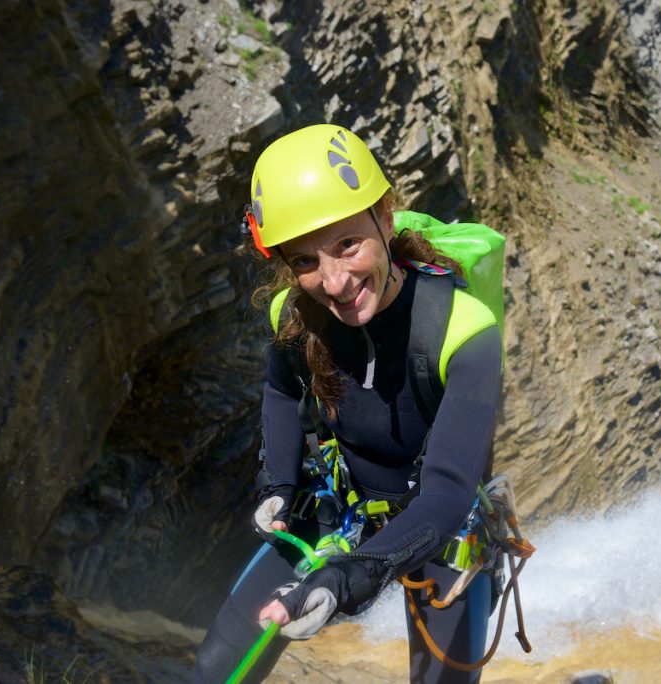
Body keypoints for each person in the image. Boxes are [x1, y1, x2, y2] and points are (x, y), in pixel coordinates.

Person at [194, 124, 503, 684]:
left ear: (385, 219)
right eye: (306, 261)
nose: (334, 282)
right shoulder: (290, 314)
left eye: (347, 244)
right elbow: (282, 390)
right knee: (217, 670)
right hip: (339, 506)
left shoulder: (463, 331)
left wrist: (348, 577)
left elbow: (447, 494)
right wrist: (279, 487)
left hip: (442, 526)